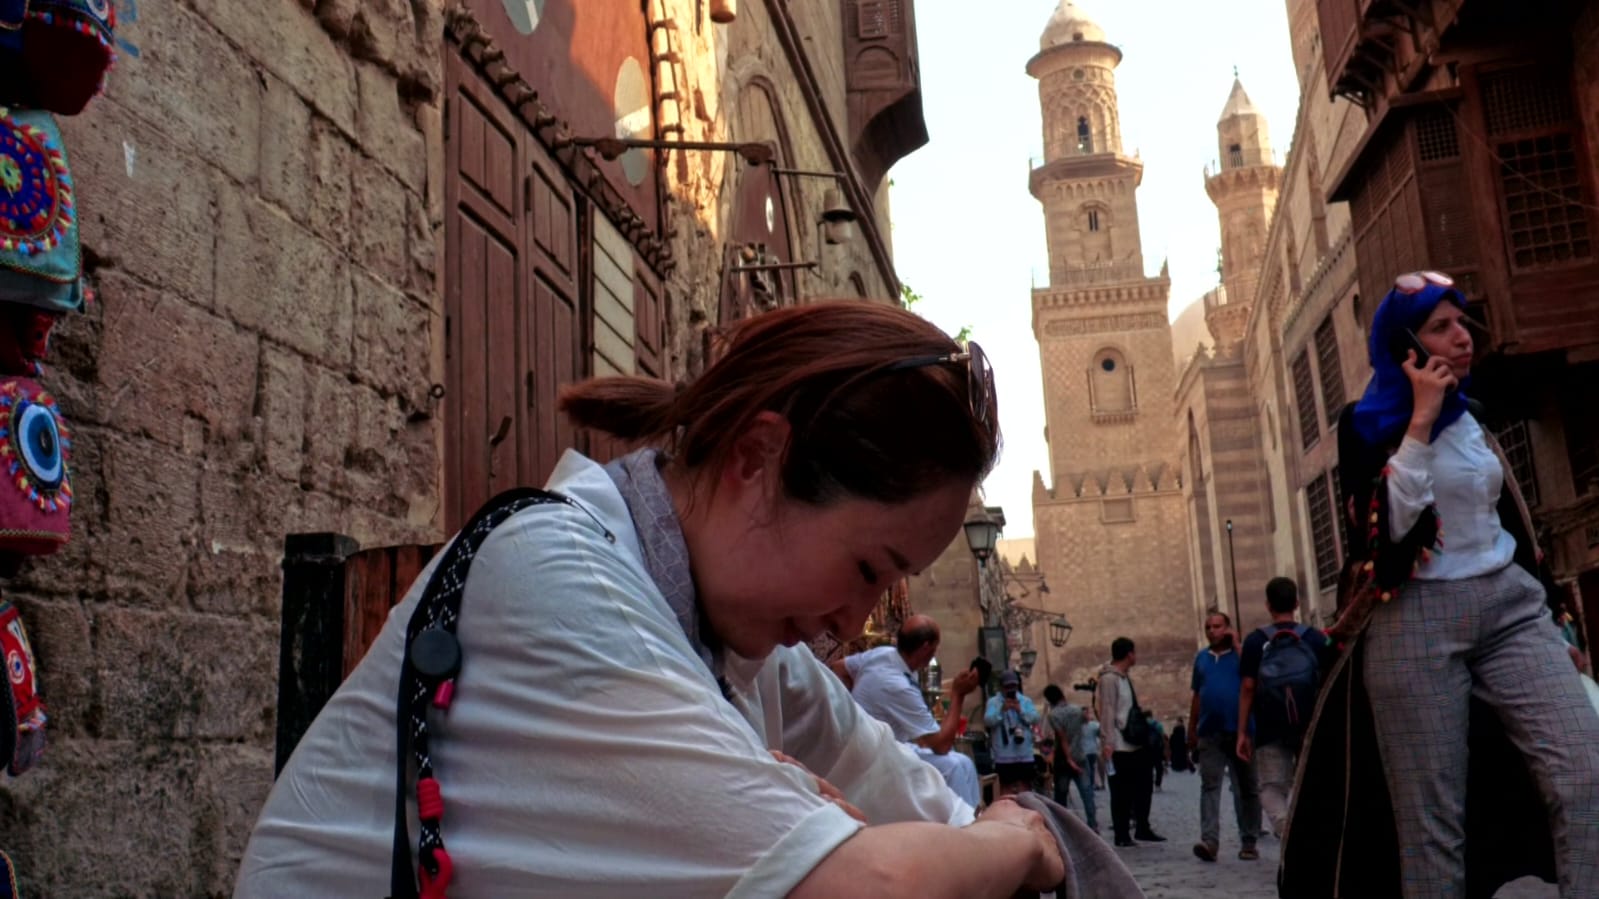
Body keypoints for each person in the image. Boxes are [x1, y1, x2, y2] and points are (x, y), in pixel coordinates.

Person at [235, 301, 1071, 898]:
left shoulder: (745, 651)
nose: (853, 622)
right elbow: (867, 883)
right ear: (757, 459)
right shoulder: (562, 583)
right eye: (865, 569)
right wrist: (1012, 842)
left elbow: (914, 797)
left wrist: (966, 834)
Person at [1282, 272, 1599, 899]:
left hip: (1510, 609)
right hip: (1415, 617)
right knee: (1432, 824)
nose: (1462, 337)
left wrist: (1557, 626)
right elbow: (1389, 534)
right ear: (1405, 346)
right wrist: (1421, 421)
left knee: (1586, 770)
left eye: (1462, 323)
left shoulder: (1473, 417)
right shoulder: (1365, 427)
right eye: (1440, 327)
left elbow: (1509, 518)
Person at [831, 615, 983, 808]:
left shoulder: (881, 654)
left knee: (963, 762)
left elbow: (838, 667)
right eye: (935, 647)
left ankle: (973, 816)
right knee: (954, 766)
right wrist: (958, 695)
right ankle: (962, 822)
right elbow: (941, 745)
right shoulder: (897, 686)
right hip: (879, 755)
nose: (935, 653)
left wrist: (852, 703)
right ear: (926, 648)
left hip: (883, 743)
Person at [1236, 576, 1327, 839]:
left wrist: (1242, 731)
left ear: (1268, 605)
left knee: (1271, 788)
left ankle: (1288, 833)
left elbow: (1248, 688)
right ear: (1297, 603)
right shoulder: (1315, 639)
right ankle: (1312, 836)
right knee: (1313, 783)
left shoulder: (1255, 642)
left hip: (1270, 727)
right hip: (1310, 725)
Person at [1187, 611, 1262, 863]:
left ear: (1228, 628)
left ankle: (1249, 840)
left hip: (1242, 730)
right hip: (1210, 732)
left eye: (1218, 626)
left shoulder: (1242, 655)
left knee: (1247, 787)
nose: (1212, 631)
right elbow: (1197, 695)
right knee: (1210, 786)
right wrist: (1192, 728)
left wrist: (1238, 644)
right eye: (1208, 627)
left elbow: (1254, 680)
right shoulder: (1201, 658)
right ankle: (1209, 841)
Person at [1097, 637, 1165, 848]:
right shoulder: (1109, 679)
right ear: (1129, 654)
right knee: (1121, 791)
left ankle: (1142, 827)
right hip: (1118, 744)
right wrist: (1108, 742)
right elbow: (1107, 709)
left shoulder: (1125, 677)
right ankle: (1122, 833)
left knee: (1144, 785)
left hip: (1135, 742)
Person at [1043, 684, 1096, 832]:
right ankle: (1093, 823)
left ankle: (1061, 827)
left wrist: (1069, 759)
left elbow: (1062, 738)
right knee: (1087, 793)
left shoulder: (1053, 715)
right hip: (1080, 754)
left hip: (1063, 759)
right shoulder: (1077, 710)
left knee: (1061, 795)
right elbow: (1085, 723)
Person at [984, 670, 1040, 796]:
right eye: (1008, 687)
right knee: (1006, 790)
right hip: (1004, 755)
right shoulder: (994, 702)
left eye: (1013, 686)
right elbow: (988, 721)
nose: (1011, 689)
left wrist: (1020, 711)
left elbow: (1035, 718)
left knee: (1026, 789)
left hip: (1024, 753)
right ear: (1001, 687)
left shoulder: (1025, 701)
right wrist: (1002, 711)